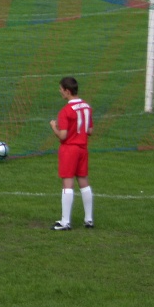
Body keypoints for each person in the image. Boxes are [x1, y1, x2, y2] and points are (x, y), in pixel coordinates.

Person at [49, 76, 94, 231]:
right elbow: (90, 130)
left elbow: (63, 136)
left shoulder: (66, 111)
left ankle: (65, 222)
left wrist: (54, 127)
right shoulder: (87, 107)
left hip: (69, 150)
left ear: (67, 91)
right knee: (83, 181)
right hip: (83, 148)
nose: (60, 92)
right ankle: (89, 219)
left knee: (67, 183)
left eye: (61, 89)